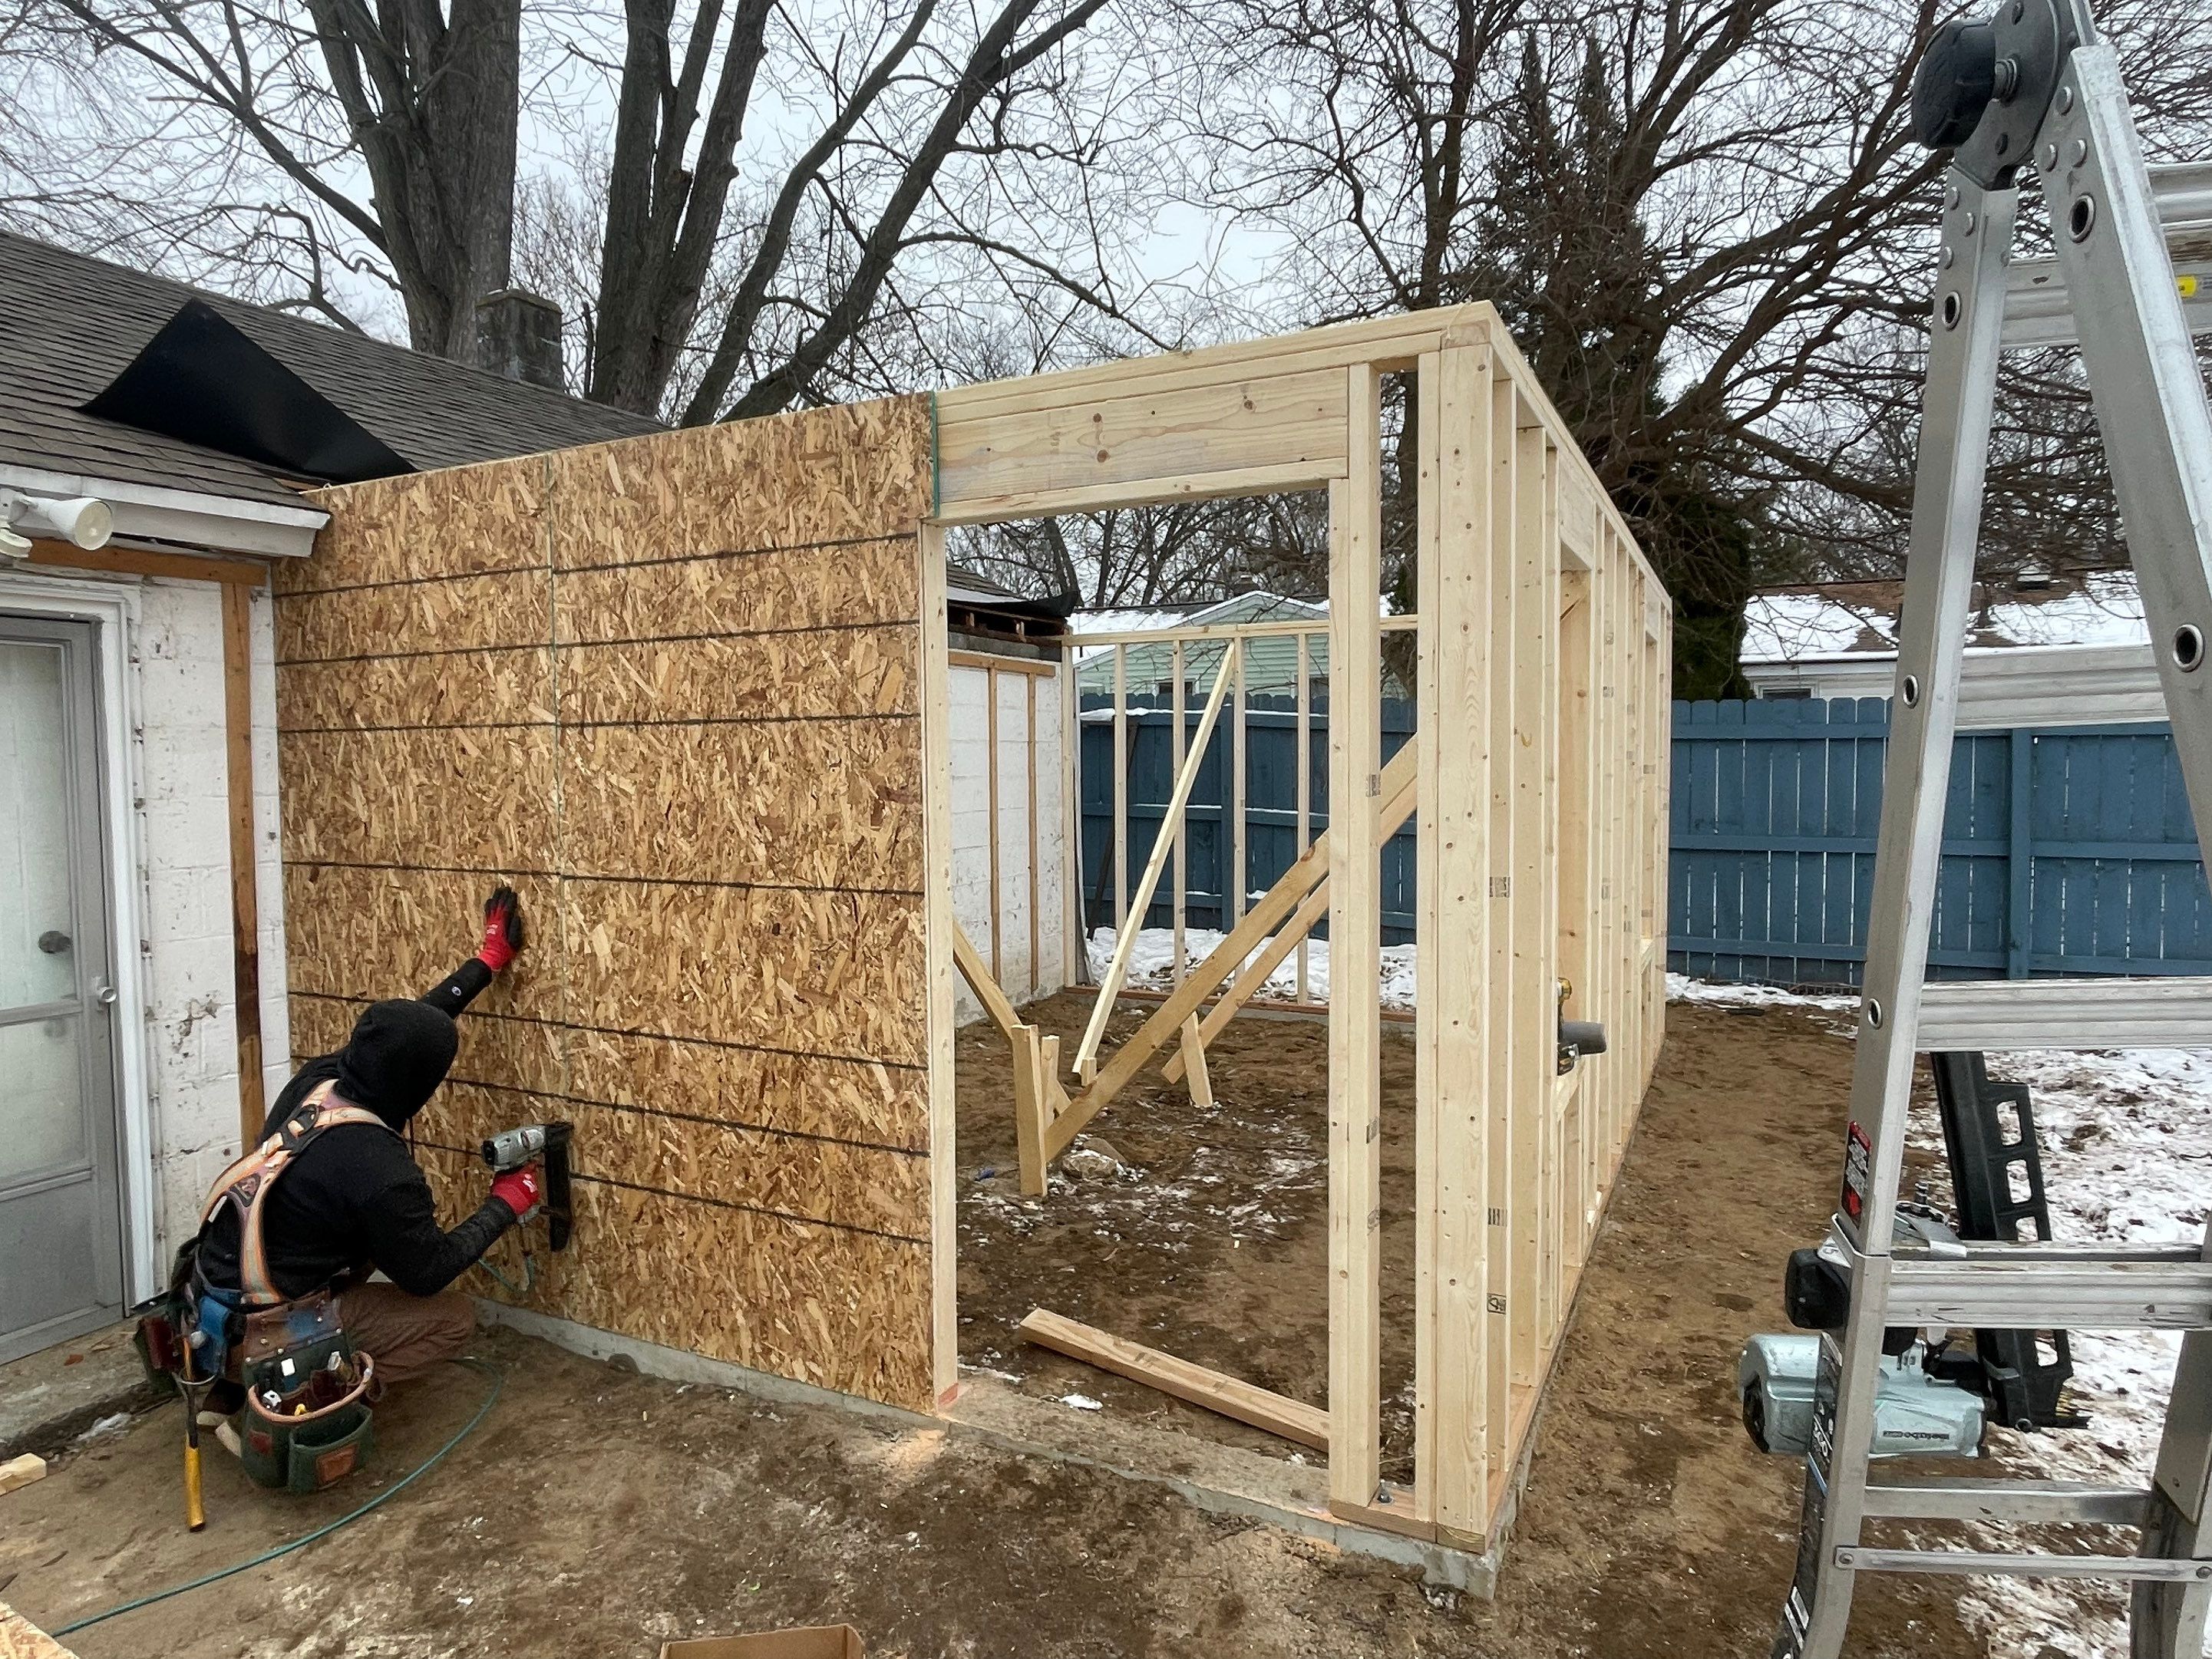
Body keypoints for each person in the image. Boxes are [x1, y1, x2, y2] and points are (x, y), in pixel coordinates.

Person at [187, 886, 541, 1428]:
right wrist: (507, 1203)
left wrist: (487, 962)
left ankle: (231, 1383)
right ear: (416, 1084)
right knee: (452, 1319)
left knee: (368, 1249)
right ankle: (315, 1400)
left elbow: (411, 1027)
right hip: (263, 1325)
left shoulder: (321, 1080)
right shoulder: (379, 1169)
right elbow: (428, 1272)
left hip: (213, 1293)